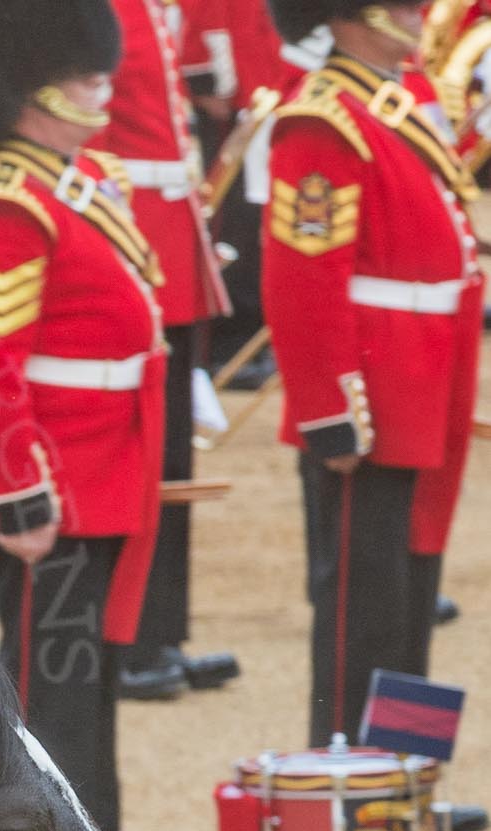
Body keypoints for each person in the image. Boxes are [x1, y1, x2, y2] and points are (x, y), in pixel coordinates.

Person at [0, 0, 181, 831]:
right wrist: (23, 489)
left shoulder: (79, 183)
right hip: (56, 481)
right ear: (24, 87)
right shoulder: (7, 203)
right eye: (77, 73)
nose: (97, 84)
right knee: (53, 694)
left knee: (88, 687)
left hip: (105, 465)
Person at [260, 0, 481, 746]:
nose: (419, 15)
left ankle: (408, 773)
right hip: (372, 392)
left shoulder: (394, 100)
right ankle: (349, 777)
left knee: (413, 591)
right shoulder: (321, 122)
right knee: (364, 606)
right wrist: (329, 409)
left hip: (425, 378)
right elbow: (302, 280)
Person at [98, 0, 242, 699]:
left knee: (172, 455)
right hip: (131, 234)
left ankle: (163, 630)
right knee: (138, 455)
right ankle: (126, 640)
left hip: (170, 237)